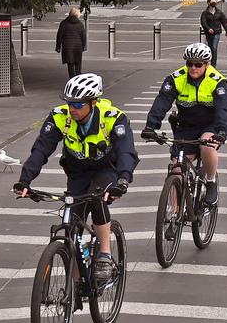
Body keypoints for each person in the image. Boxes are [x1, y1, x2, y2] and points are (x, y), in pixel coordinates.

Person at [13, 73, 139, 299]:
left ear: (93, 103)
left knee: (97, 198)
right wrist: (25, 180)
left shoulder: (112, 118)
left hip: (106, 169)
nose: (72, 108)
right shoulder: (60, 117)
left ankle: (104, 255)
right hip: (77, 172)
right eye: (69, 103)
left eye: (78, 104)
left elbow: (126, 152)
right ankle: (77, 284)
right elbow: (41, 149)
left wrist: (123, 181)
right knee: (71, 224)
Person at [141, 43, 227, 206]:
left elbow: (223, 110)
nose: (193, 68)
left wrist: (221, 131)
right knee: (176, 169)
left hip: (212, 125)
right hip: (187, 125)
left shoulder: (217, 82)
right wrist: (151, 127)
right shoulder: (176, 79)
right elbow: (162, 102)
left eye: (198, 64)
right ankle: (173, 216)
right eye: (189, 63)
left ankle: (211, 182)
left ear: (207, 64)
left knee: (207, 146)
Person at [56, 7, 87, 78]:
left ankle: (72, 81)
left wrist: (58, 47)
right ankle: (78, 83)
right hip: (77, 47)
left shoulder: (63, 23)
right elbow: (83, 36)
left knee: (70, 66)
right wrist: (84, 46)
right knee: (78, 67)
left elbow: (59, 36)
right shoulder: (80, 24)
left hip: (67, 48)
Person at [200, 0, 227, 67]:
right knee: (210, 48)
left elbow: (224, 22)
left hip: (217, 32)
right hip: (209, 33)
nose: (214, 3)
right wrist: (208, 29)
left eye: (215, 1)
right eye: (212, 2)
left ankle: (213, 65)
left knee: (214, 48)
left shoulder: (219, 12)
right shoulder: (205, 13)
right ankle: (209, 61)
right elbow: (203, 22)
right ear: (208, 3)